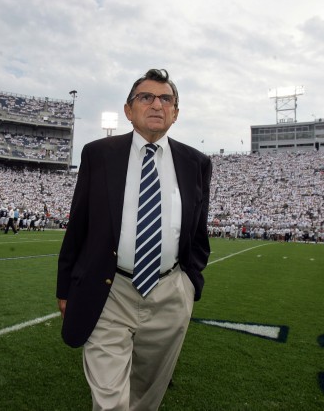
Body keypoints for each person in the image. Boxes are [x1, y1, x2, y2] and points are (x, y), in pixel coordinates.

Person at [56, 68, 212, 410]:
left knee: (146, 394)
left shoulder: (196, 162)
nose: (156, 104)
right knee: (110, 401)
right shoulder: (99, 154)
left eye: (166, 99)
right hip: (110, 290)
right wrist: (64, 287)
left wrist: (189, 284)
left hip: (169, 292)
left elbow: (197, 234)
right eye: (146, 97)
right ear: (128, 110)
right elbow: (78, 225)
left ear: (175, 112)